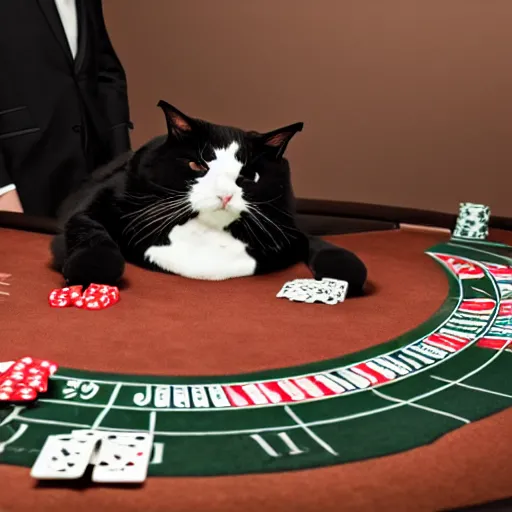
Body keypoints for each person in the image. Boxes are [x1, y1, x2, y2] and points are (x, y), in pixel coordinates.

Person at [0, 0, 132, 218]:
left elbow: (105, 72)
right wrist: (2, 190)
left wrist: (122, 166)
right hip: (21, 181)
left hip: (92, 179)